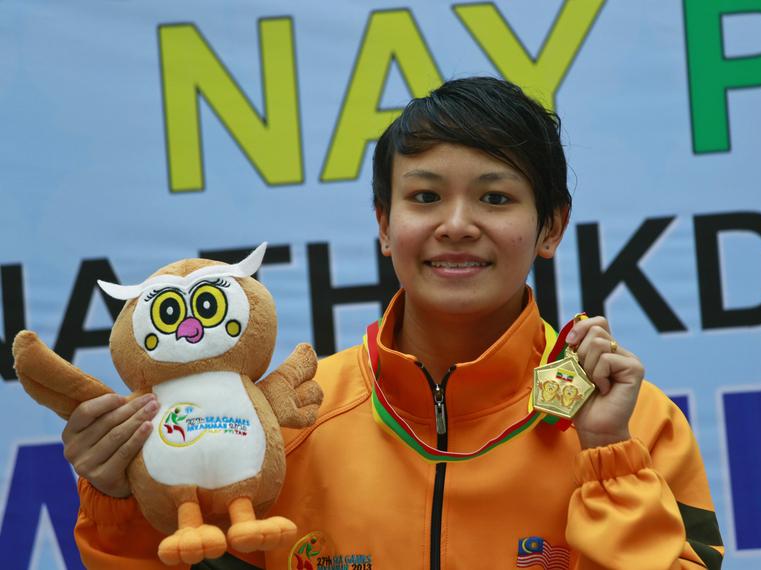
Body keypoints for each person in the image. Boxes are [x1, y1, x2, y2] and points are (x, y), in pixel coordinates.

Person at [69, 77, 723, 569]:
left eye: (495, 197)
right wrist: (120, 503)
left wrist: (607, 458)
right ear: (385, 225)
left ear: (550, 226)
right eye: (425, 197)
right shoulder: (284, 426)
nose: (457, 223)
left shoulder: (633, 425)